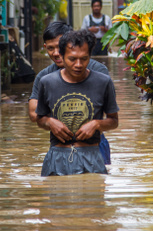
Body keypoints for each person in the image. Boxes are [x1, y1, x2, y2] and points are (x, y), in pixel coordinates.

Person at [34, 29, 119, 176]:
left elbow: (114, 121)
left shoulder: (103, 82)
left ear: (90, 56)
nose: (78, 64)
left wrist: (96, 124)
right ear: (62, 56)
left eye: (84, 59)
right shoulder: (46, 82)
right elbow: (39, 119)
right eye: (72, 59)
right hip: (57, 156)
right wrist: (50, 122)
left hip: (92, 156)